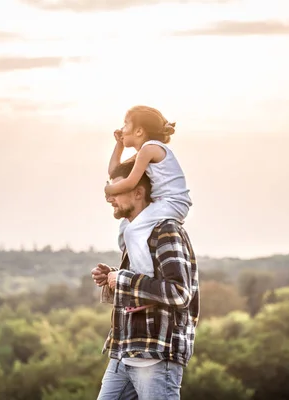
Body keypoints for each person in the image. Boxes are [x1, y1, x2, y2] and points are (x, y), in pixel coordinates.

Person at [92, 160, 200, 400]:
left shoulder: (166, 230)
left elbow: (179, 292)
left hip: (155, 358)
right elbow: (144, 284)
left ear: (138, 192)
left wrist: (122, 279)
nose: (110, 198)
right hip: (124, 354)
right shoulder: (136, 232)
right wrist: (112, 277)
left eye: (117, 192)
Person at [104, 105, 192, 278]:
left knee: (132, 231)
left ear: (138, 131)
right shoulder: (146, 151)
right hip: (163, 202)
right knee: (126, 229)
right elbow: (115, 171)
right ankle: (132, 268)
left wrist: (109, 189)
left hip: (172, 202)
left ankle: (142, 278)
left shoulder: (150, 149)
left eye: (125, 124)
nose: (122, 129)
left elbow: (130, 182)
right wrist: (119, 145)